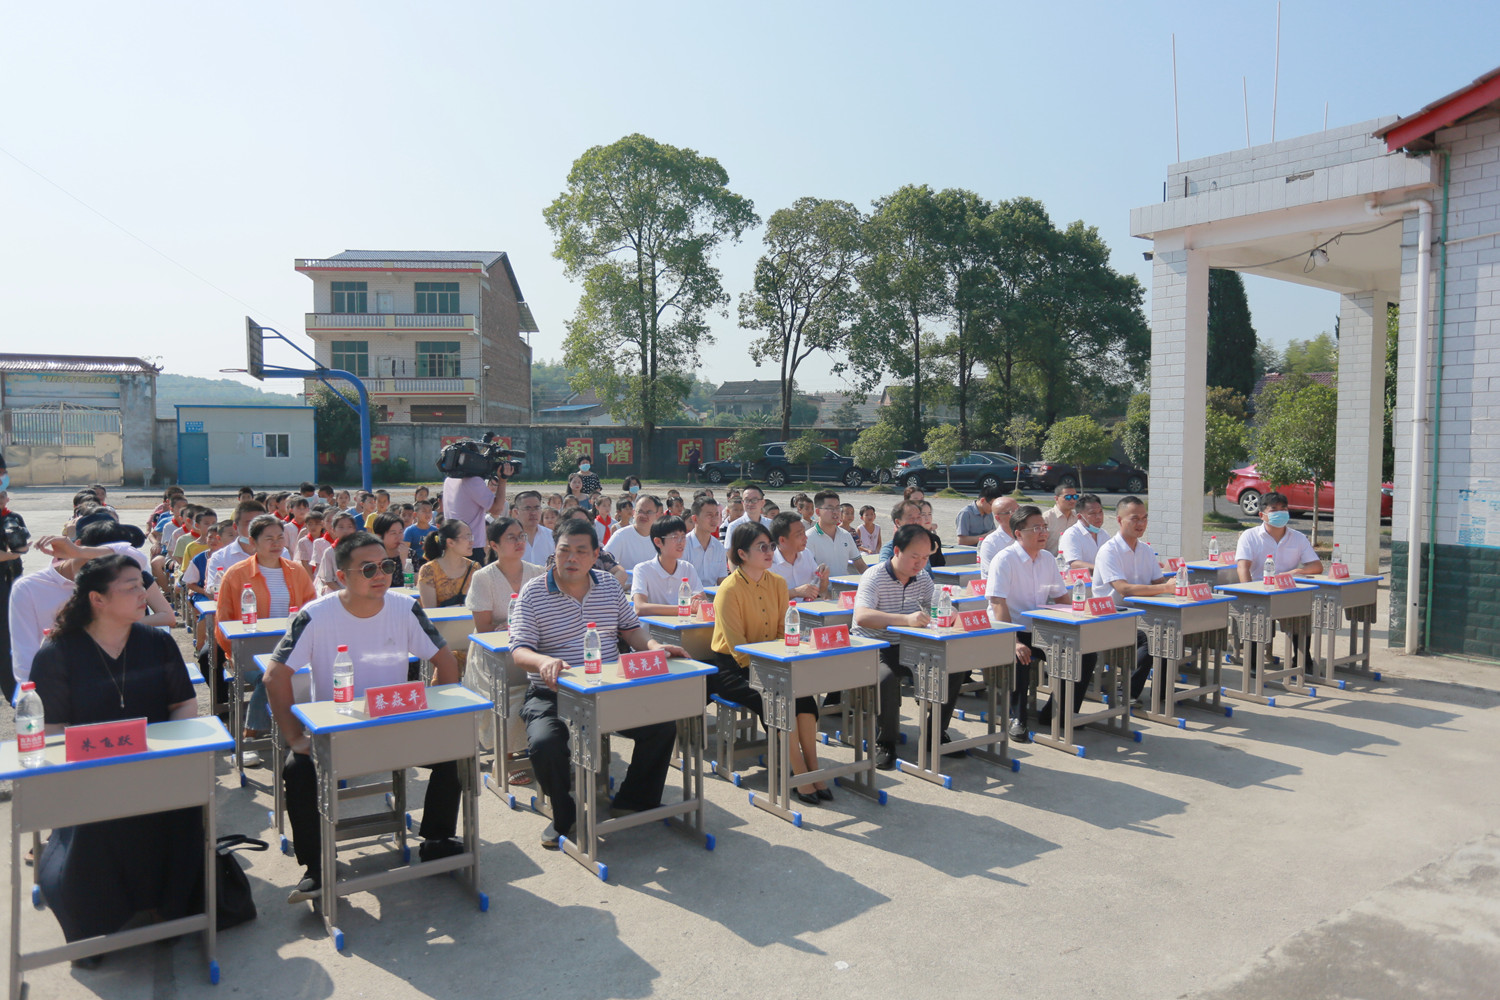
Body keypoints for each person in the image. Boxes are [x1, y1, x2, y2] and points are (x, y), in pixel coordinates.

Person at [264, 532, 464, 900]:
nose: (381, 575)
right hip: (339, 733)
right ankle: (318, 866)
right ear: (342, 577)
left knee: (453, 749)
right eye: (368, 568)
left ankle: (436, 839)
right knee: (297, 769)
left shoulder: (405, 608)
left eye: (387, 565)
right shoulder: (316, 614)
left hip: (395, 723)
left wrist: (437, 713)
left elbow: (445, 662)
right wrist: (294, 737)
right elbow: (274, 676)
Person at [30, 554, 202, 945]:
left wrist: (168, 758)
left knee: (186, 810)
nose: (144, 593)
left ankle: (171, 910)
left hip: (154, 765)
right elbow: (51, 727)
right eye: (131, 588)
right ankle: (94, 925)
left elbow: (183, 706)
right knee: (97, 826)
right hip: (89, 773)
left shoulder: (157, 642)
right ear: (97, 599)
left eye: (143, 585)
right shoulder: (57, 652)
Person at [509, 519, 687, 846]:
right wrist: (543, 661)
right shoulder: (533, 592)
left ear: (595, 556)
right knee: (545, 743)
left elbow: (631, 630)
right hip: (553, 692)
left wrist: (654, 647)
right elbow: (519, 649)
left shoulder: (606, 585)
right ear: (555, 553)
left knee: (662, 725)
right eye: (564, 550)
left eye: (581, 552)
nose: (571, 558)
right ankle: (564, 812)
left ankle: (634, 798)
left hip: (607, 689)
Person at [709, 521, 827, 802]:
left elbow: (781, 632)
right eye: (761, 547)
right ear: (742, 553)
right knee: (776, 701)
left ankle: (814, 768)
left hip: (772, 661)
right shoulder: (729, 590)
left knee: (804, 699)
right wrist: (773, 672)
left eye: (771, 546)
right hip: (734, 667)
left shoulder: (777, 583)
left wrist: (780, 666)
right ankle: (798, 773)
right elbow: (739, 649)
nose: (769, 551)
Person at [853, 524, 966, 768]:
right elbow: (861, 616)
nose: (920, 563)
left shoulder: (922, 577)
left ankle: (935, 732)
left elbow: (933, 606)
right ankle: (886, 741)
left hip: (909, 646)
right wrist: (905, 620)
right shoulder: (874, 576)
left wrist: (949, 612)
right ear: (896, 551)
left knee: (953, 667)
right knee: (887, 678)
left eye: (925, 557)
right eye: (915, 556)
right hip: (874, 646)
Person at [986, 504, 1090, 741]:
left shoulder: (1047, 559)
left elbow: (1061, 597)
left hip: (1040, 630)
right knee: (1020, 657)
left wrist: (1082, 617)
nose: (1043, 532)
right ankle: (1017, 718)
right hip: (1007, 629)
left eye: (1044, 527)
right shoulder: (1005, 559)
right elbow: (998, 603)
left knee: (1084, 653)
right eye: (1036, 528)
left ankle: (1057, 712)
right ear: (1018, 533)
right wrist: (1011, 641)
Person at [217, 514, 316, 751]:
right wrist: (234, 655)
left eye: (280, 538)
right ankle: (251, 735)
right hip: (249, 655)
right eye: (269, 538)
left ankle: (306, 731)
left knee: (308, 673)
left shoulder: (296, 571)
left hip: (291, 650)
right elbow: (223, 621)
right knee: (269, 677)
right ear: (253, 542)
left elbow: (311, 610)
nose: (276, 544)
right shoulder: (236, 574)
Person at [1091, 496, 1176, 702]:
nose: (1141, 524)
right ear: (1120, 520)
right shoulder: (1109, 551)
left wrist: (1174, 582)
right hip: (1112, 616)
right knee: (1151, 636)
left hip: (1141, 615)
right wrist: (1166, 587)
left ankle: (1163, 691)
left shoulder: (1146, 550)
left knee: (1170, 629)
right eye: (1135, 519)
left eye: (1145, 518)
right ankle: (1125, 691)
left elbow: (1157, 583)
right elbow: (1124, 590)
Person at [1235, 490, 1322, 672]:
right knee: (1256, 618)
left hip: (1287, 590)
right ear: (1262, 515)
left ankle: (1302, 660)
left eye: (1283, 508)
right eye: (1273, 509)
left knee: (1302, 613)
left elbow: (1316, 566)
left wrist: (1297, 571)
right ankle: (1253, 663)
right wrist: (1249, 593)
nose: (1280, 512)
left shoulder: (1297, 537)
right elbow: (1243, 567)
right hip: (1260, 590)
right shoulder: (1249, 536)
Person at [466, 518, 545, 633]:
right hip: (493, 646)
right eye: (511, 537)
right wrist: (512, 628)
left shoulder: (538, 573)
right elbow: (482, 628)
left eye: (521, 536)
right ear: (494, 545)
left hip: (532, 644)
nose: (519, 541)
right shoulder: (483, 577)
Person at [443, 452, 514, 564]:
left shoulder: (449, 479)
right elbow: (497, 509)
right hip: (470, 547)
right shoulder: (473, 481)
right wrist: (503, 480)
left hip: (452, 544)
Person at [631, 515, 707, 615]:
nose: (681, 543)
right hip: (651, 629)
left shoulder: (687, 568)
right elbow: (640, 607)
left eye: (683, 537)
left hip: (683, 627)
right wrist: (684, 608)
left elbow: (702, 601)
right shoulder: (642, 570)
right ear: (658, 542)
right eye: (675, 537)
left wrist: (697, 603)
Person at [0, 489, 29, 703]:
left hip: (8, 582)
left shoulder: (13, 518)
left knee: (6, 637)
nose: (2, 499)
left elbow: (23, 547)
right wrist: (13, 554)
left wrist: (17, 547)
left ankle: (13, 693)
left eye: (3, 495)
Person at [807, 490, 865, 582]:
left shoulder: (846, 535)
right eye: (830, 508)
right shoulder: (808, 538)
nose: (835, 512)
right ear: (818, 512)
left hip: (842, 589)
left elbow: (860, 565)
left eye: (838, 508)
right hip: (819, 593)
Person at [417, 519, 477, 609]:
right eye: (467, 537)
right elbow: (430, 611)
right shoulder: (429, 570)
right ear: (450, 542)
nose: (471, 542)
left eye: (471, 537)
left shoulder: (475, 568)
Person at [769, 512, 827, 600]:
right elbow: (765, 598)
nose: (805, 538)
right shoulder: (768, 563)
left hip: (808, 611)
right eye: (799, 534)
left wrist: (824, 577)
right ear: (782, 540)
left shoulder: (806, 554)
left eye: (804, 532)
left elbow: (821, 590)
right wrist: (795, 592)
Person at [603, 493, 661, 572]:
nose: (643, 515)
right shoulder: (621, 535)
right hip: (629, 583)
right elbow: (604, 563)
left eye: (649, 512)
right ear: (634, 513)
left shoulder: (662, 537)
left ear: (657, 515)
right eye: (640, 511)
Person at [684, 495, 728, 586]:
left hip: (712, 597)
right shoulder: (682, 546)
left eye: (716, 514)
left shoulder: (719, 547)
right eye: (709, 515)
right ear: (695, 519)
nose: (715, 519)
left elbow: (722, 581)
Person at [1060, 494, 1107, 571]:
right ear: (1079, 516)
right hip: (1079, 581)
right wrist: (1102, 569)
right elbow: (1074, 564)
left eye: (1100, 512)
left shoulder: (1104, 534)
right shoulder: (1071, 535)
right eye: (1092, 513)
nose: (1098, 516)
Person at [316, 512, 358, 595]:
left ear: (354, 529)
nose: (345, 530)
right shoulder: (330, 552)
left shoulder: (361, 550)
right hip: (337, 593)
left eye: (349, 527)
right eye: (341, 527)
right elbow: (329, 580)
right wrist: (345, 593)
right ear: (333, 530)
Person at [976, 496, 1021, 574]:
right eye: (1012, 512)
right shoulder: (991, 543)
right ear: (998, 518)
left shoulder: (1028, 535)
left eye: (1019, 509)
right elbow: (995, 575)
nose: (1019, 515)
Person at [510, 490, 555, 566]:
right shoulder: (508, 538)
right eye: (528, 509)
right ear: (516, 512)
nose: (533, 513)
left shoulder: (551, 536)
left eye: (537, 508)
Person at [1043, 485, 1080, 555]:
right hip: (1051, 561)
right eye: (1068, 497)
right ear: (1056, 498)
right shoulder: (1046, 518)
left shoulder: (1078, 518)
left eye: (1075, 497)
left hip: (1073, 561)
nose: (1072, 500)